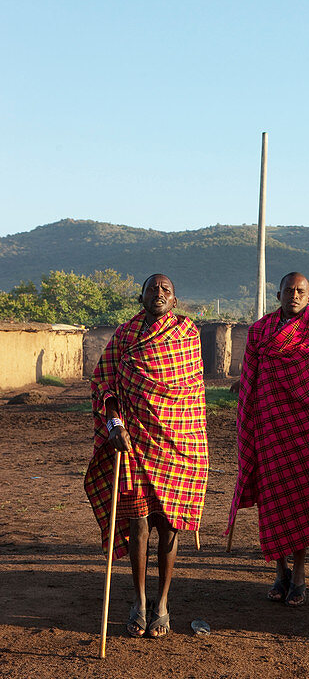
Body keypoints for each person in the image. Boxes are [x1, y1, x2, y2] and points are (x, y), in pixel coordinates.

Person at [83, 274, 208, 639]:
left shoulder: (188, 335)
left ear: (175, 298)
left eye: (166, 290)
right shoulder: (125, 336)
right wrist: (114, 424)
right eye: (152, 289)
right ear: (141, 296)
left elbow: (192, 396)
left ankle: (163, 603)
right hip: (133, 443)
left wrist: (189, 439)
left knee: (169, 526)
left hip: (178, 446)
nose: (159, 293)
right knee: (138, 524)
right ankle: (139, 601)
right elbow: (102, 383)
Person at [228, 272, 309, 607]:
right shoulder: (260, 331)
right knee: (273, 501)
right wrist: (247, 422)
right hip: (270, 428)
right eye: (289, 290)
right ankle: (280, 570)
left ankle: (300, 573)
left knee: (303, 502)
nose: (294, 295)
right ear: (278, 295)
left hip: (308, 431)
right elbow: (249, 382)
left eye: (300, 291)